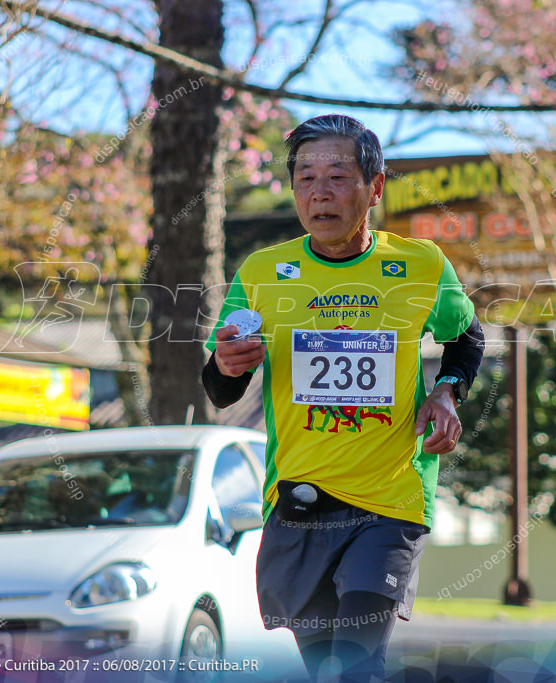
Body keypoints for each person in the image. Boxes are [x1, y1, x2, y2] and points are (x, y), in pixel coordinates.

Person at [203, 114, 484, 682]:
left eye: (337, 175)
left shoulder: (421, 265)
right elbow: (219, 384)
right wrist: (226, 363)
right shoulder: (262, 272)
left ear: (374, 188)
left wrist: (449, 392)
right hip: (300, 501)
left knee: (356, 665)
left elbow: (466, 335)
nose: (319, 192)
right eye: (305, 177)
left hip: (390, 498)